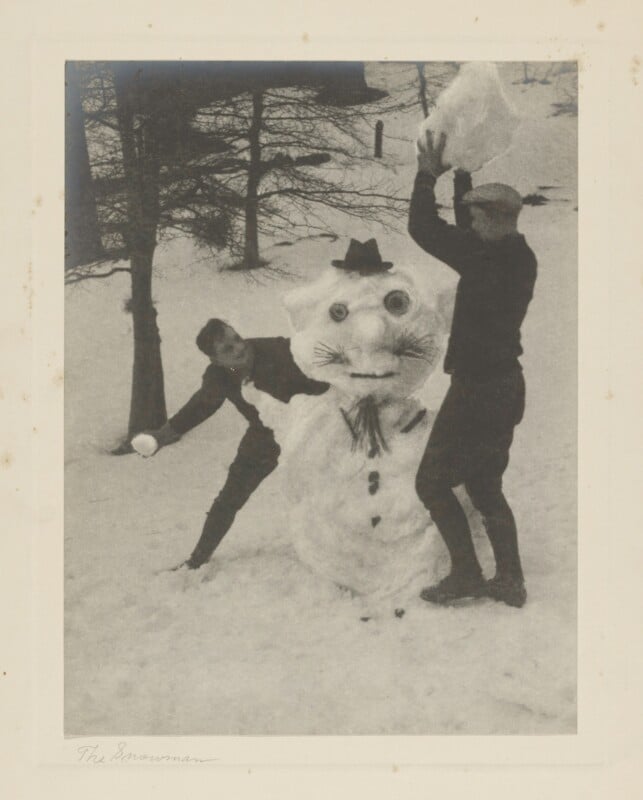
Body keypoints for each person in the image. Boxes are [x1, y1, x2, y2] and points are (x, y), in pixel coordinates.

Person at [408, 131, 537, 608]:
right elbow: (467, 229)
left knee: (430, 482)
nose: (472, 224)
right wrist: (463, 170)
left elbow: (424, 229)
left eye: (477, 217)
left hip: (478, 391)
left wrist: (427, 175)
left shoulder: (484, 259)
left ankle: (466, 574)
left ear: (495, 220)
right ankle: (509, 580)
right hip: (504, 387)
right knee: (485, 484)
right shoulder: (517, 255)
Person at [132, 319, 328, 569]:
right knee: (230, 496)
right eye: (227, 349)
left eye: (236, 339)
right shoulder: (220, 376)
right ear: (216, 361)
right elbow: (201, 406)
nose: (238, 348)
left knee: (326, 490)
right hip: (265, 436)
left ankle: (342, 551)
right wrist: (161, 436)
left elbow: (327, 374)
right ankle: (197, 560)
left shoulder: (280, 350)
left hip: (313, 428)